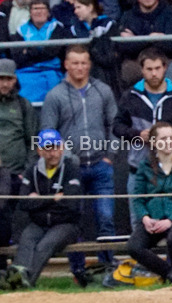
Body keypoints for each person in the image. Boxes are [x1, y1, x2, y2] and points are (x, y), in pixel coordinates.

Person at [40, 44, 118, 283]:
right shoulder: (54, 95)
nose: (80, 67)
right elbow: (48, 132)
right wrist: (63, 162)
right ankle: (78, 271)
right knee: (73, 221)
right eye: (75, 63)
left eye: (84, 62)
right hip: (70, 169)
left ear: (90, 64)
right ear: (66, 64)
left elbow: (114, 124)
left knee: (106, 218)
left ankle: (108, 268)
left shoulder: (103, 90)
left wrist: (110, 155)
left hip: (100, 164)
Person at [113, 47, 172, 227]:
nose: (154, 73)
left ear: (165, 67)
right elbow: (117, 127)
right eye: (149, 69)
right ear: (142, 70)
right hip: (138, 170)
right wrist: (137, 135)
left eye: (157, 68)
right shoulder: (130, 96)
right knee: (139, 223)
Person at [2, 129, 81, 289]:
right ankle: (16, 279)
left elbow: (71, 204)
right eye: (47, 149)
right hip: (38, 223)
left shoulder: (71, 168)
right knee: (26, 241)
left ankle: (24, 283)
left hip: (65, 225)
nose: (52, 153)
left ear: (62, 148)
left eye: (55, 148)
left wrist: (39, 199)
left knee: (44, 246)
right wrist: (53, 198)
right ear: (39, 150)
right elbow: (24, 203)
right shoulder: (31, 170)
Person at [127, 121, 172, 284]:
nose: (169, 142)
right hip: (153, 220)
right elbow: (137, 198)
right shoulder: (144, 166)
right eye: (164, 139)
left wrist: (170, 221)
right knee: (134, 247)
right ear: (153, 142)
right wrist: (145, 217)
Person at [0, 58, 37, 272]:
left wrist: (26, 171)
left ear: (15, 80)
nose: (5, 83)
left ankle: (14, 269)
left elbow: (32, 141)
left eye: (9, 79)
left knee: (11, 223)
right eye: (1, 79)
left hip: (15, 174)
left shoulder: (23, 105)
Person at [10, 0, 72, 102]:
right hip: (26, 73)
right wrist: (42, 50)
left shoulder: (57, 28)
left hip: (51, 71)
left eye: (42, 8)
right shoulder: (21, 30)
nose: (39, 12)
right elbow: (18, 57)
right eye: (35, 8)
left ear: (48, 12)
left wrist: (28, 51)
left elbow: (52, 52)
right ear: (30, 12)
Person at [116, 0, 172, 87]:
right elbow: (124, 47)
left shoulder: (170, 13)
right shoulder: (128, 16)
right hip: (135, 64)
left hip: (167, 61)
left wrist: (136, 39)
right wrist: (151, 38)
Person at [68, 0, 119, 95]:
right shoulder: (74, 29)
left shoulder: (108, 25)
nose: (75, 11)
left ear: (90, 7)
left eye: (79, 7)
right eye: (75, 8)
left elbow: (110, 55)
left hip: (105, 72)